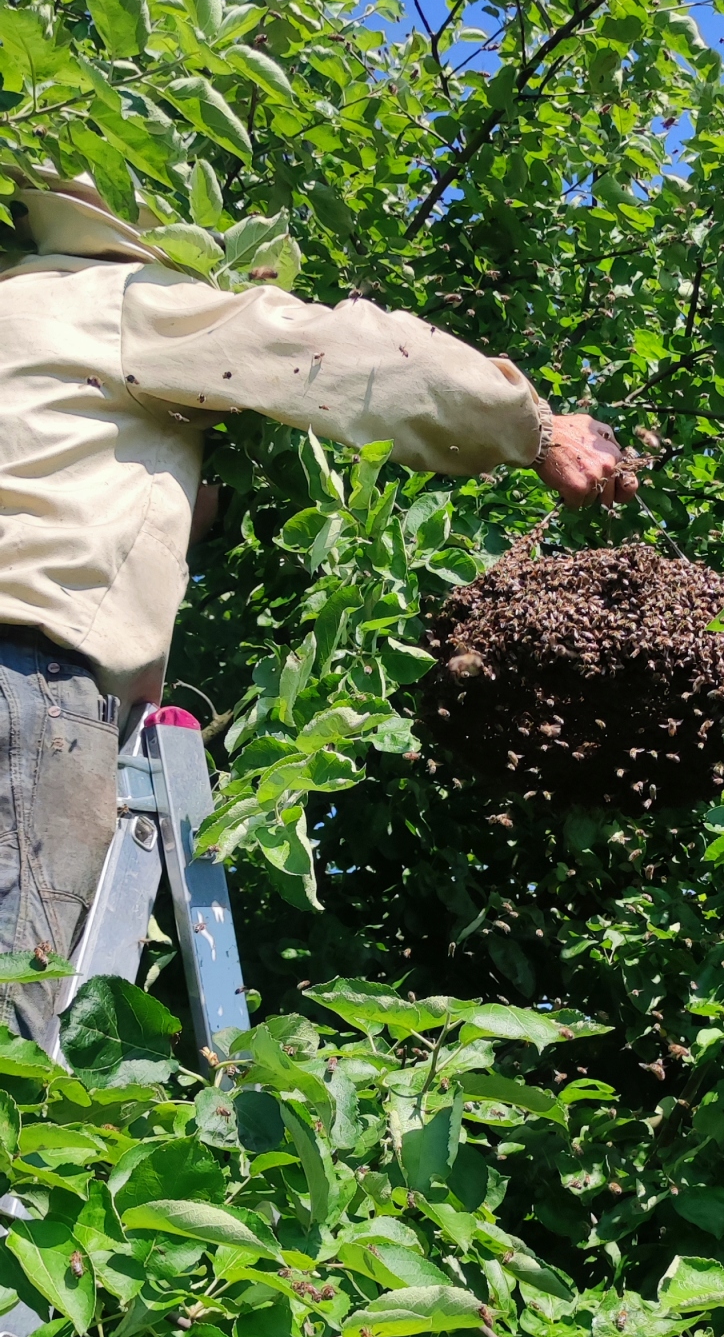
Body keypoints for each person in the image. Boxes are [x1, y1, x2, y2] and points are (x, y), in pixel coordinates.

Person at [0, 173, 638, 1044]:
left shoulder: (19, 308)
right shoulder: (115, 297)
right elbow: (338, 357)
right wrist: (532, 427)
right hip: (23, 683)